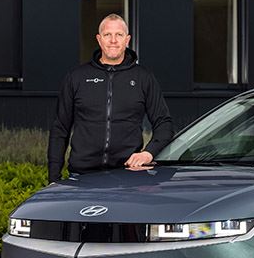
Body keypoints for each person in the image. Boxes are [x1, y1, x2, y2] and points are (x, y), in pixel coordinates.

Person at [47, 14, 174, 183]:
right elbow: (60, 130)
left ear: (127, 39)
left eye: (119, 35)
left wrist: (148, 153)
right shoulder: (76, 77)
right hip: (82, 177)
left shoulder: (144, 78)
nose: (113, 40)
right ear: (99, 39)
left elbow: (164, 123)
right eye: (108, 35)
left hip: (128, 177)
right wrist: (54, 179)